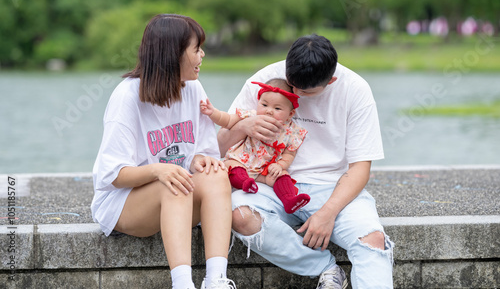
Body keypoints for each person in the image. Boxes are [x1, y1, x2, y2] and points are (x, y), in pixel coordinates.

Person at [218, 34, 394, 289]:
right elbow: (218, 148)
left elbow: (360, 168)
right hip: (269, 185)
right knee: (240, 214)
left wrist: (328, 213)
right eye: (292, 85)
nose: (296, 95)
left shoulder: (355, 89)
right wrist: (244, 126)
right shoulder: (264, 80)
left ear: (331, 80)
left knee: (373, 240)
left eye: (306, 92)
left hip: (331, 187)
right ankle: (326, 269)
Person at [91, 14, 237, 289]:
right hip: (124, 203)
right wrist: (159, 169)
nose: (202, 55)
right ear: (174, 53)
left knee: (216, 174)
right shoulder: (127, 97)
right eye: (196, 49)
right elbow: (112, 175)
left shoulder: (193, 88)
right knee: (173, 182)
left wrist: (201, 160)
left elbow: (202, 151)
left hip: (176, 193)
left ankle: (216, 280)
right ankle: (182, 284)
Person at [200, 78, 310, 214]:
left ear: (290, 114)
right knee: (232, 165)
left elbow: (290, 153)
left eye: (277, 108)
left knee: (282, 175)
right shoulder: (250, 116)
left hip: (266, 170)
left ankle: (289, 200)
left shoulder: (291, 131)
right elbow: (227, 120)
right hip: (242, 161)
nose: (269, 111)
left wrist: (280, 165)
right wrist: (213, 113)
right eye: (264, 105)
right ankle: (245, 183)